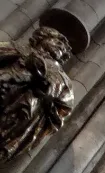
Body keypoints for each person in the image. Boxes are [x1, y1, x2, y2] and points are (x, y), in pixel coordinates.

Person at [0, 27, 74, 162]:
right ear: (43, 37)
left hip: (16, 114)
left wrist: (45, 94)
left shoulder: (63, 80)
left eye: (64, 49)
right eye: (57, 42)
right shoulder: (19, 48)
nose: (61, 48)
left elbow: (60, 112)